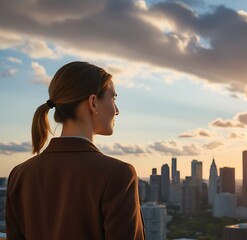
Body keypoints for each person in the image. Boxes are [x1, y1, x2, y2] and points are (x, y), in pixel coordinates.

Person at [5, 61, 145, 240]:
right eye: (113, 99)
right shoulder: (118, 174)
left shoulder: (20, 174)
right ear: (93, 102)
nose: (117, 110)